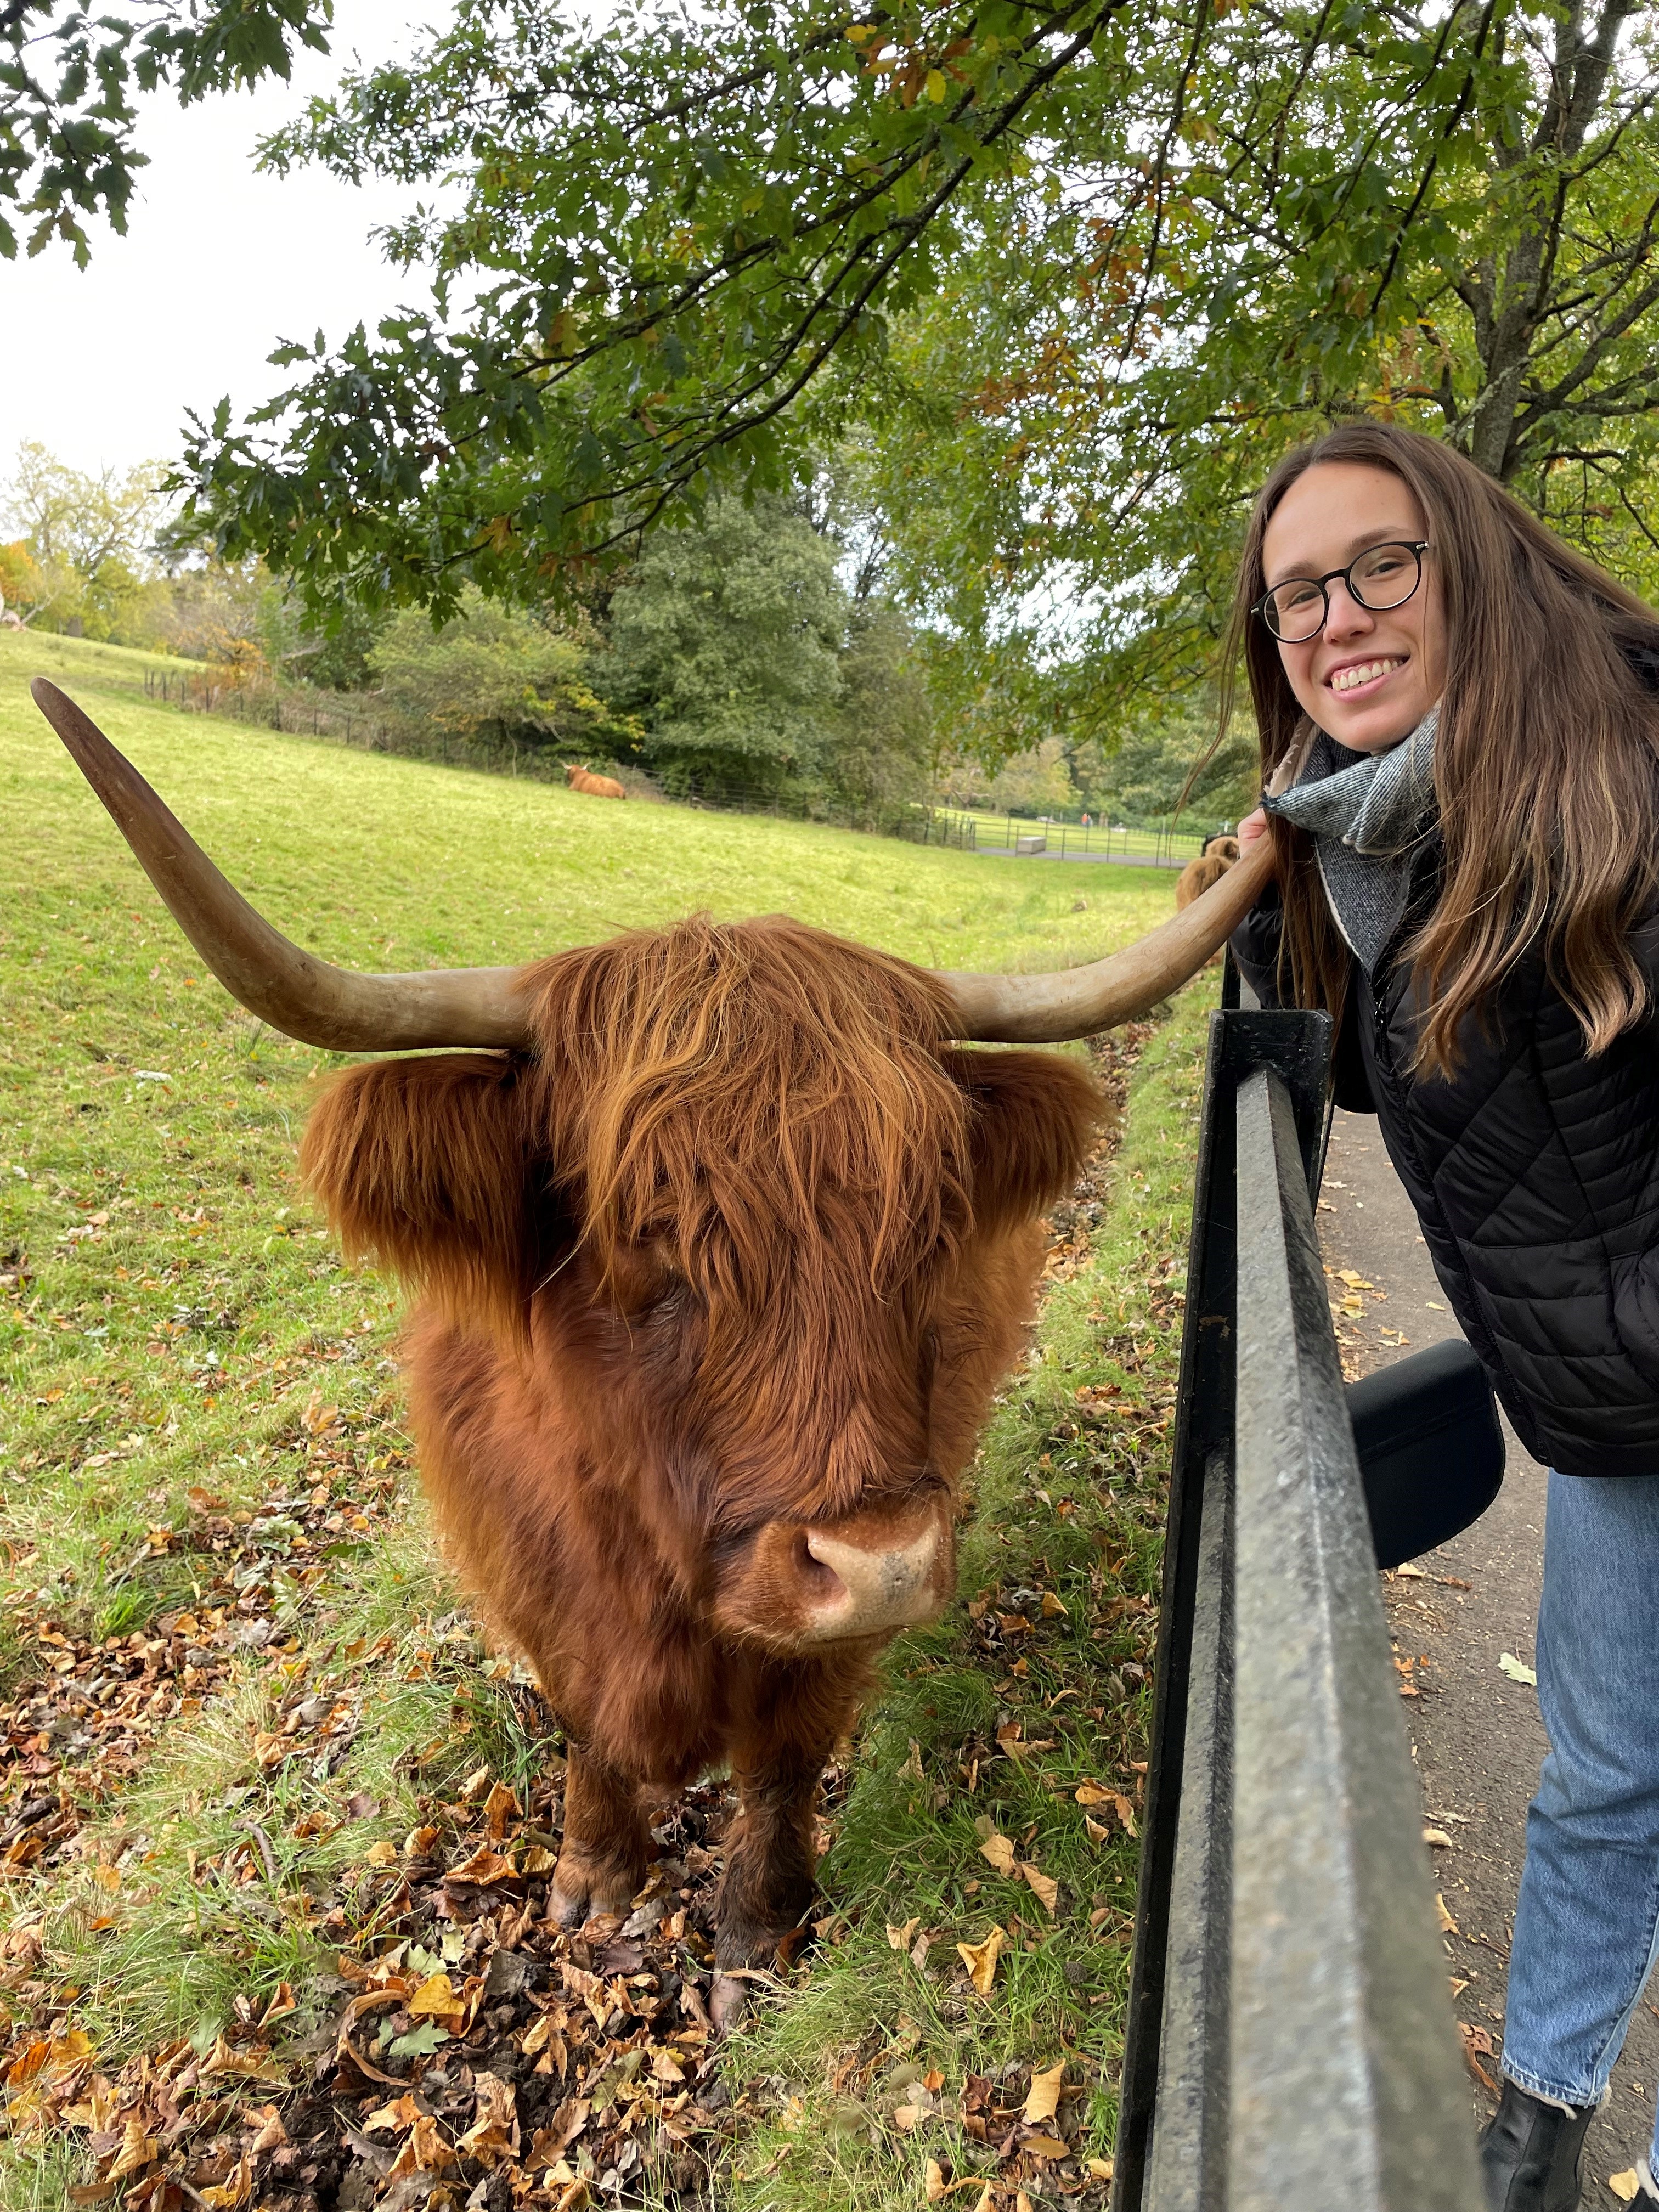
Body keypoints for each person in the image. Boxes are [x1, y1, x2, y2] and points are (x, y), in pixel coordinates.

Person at [1226, 420, 1659, 2212]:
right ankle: (1545, 2115)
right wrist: (1251, 931)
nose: (1337, 616)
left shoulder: (1624, 767)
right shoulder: (1367, 839)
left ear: (1467, 561)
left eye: (1377, 565)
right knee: (1608, 1769)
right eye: (1297, 594)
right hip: (1617, 1413)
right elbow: (1391, 1077)